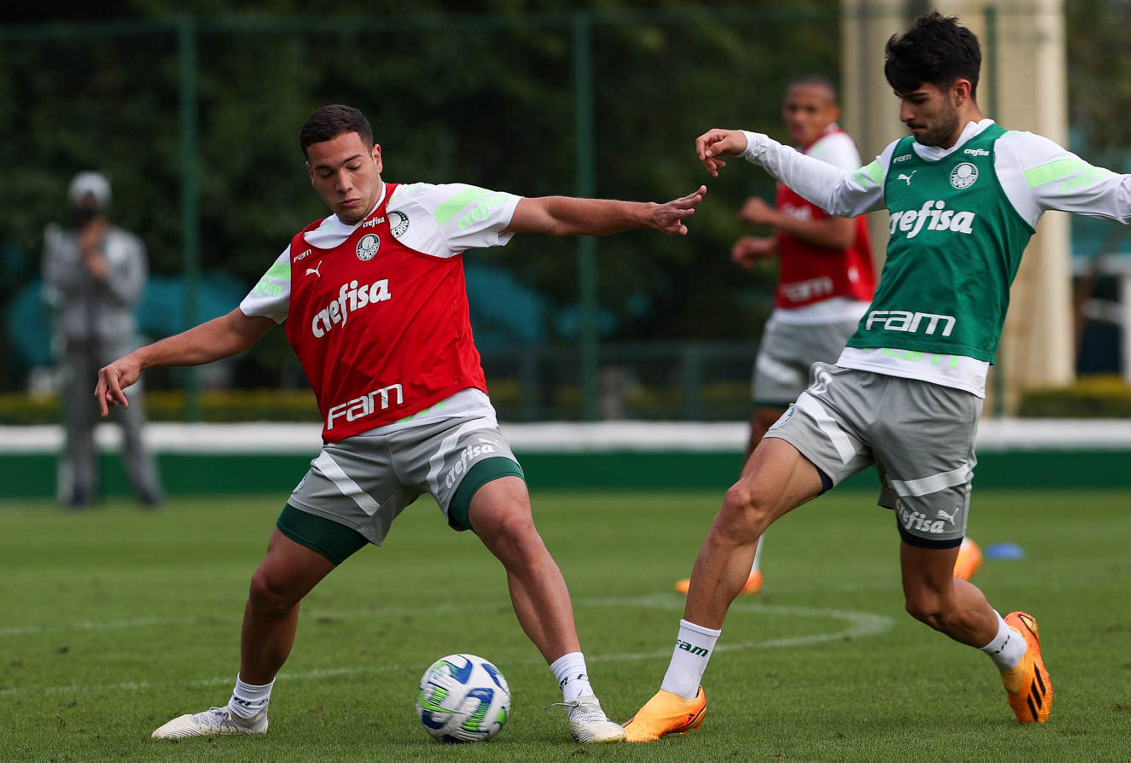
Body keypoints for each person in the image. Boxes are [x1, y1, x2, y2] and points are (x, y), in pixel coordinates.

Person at [625, 12, 1131, 741]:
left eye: (917, 99)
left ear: (960, 89)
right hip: (857, 375)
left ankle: (1012, 646)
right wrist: (754, 144)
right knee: (741, 504)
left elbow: (1127, 198)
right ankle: (680, 692)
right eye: (900, 99)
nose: (904, 114)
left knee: (931, 600)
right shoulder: (901, 157)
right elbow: (839, 194)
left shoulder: (1018, 157)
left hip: (941, 399)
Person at [95, 104, 705, 744]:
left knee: (512, 524)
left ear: (377, 157)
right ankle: (245, 712)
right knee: (272, 587)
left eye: (354, 166)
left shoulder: (430, 208)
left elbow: (547, 213)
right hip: (356, 449)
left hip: (448, 424)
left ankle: (582, 705)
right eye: (326, 173)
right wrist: (142, 357)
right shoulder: (303, 255)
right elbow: (234, 329)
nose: (344, 184)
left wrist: (645, 213)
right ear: (311, 176)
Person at [674, 75, 878, 598]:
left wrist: (769, 217)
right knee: (763, 425)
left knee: (881, 431)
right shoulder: (801, 159)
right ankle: (748, 563)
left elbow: (842, 233)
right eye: (792, 108)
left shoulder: (835, 147)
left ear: (832, 113)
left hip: (838, 312)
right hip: (791, 314)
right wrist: (767, 246)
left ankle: (954, 541)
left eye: (811, 108)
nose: (799, 117)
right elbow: (807, 232)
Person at [43, 171, 162, 508]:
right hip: (76, 344)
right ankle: (81, 489)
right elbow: (54, 288)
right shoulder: (61, 246)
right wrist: (82, 256)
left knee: (131, 420)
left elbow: (131, 294)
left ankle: (147, 489)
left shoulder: (127, 245)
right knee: (78, 421)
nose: (88, 208)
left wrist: (103, 269)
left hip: (116, 346)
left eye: (93, 202)